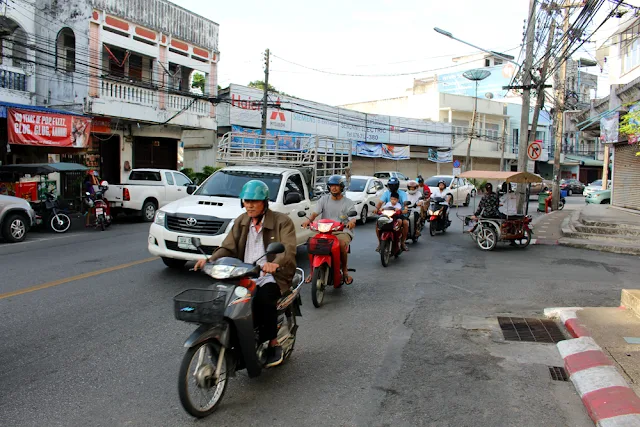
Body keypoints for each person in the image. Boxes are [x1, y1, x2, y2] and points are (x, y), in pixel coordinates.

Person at [194, 180, 297, 368]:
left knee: (264, 301)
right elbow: (228, 247)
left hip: (271, 276)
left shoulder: (282, 222)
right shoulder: (242, 221)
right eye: (246, 201)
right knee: (226, 301)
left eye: (254, 201)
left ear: (264, 202)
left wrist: (274, 264)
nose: (249, 205)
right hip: (243, 273)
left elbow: (288, 250)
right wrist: (209, 260)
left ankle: (273, 343)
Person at [302, 175, 356, 285]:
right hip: (324, 230)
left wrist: (351, 223)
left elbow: (353, 218)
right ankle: (313, 272)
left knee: (340, 245)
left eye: (336, 186)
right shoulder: (323, 199)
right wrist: (308, 221)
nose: (334, 188)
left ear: (341, 187)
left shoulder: (348, 202)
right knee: (312, 244)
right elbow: (315, 213)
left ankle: (345, 271)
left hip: (342, 231)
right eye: (331, 186)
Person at [375, 177, 410, 252]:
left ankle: (403, 243)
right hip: (387, 214)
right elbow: (380, 203)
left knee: (405, 223)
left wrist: (405, 209)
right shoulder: (386, 193)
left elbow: (405, 203)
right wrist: (377, 209)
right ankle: (380, 243)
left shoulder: (402, 193)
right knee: (378, 223)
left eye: (394, 185)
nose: (392, 187)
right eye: (391, 185)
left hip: (399, 213)